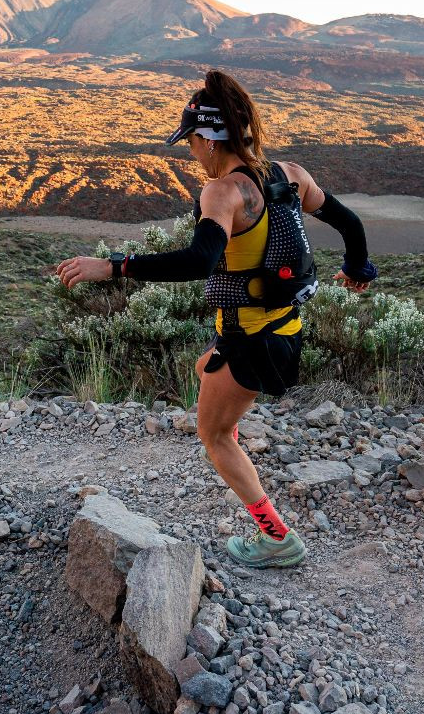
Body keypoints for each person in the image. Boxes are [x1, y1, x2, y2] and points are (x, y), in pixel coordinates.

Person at [55, 70, 377, 568]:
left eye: (191, 143)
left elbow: (197, 262)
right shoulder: (289, 173)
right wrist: (358, 269)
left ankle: (276, 538)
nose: (191, 153)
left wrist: (112, 266)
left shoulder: (223, 193)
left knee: (214, 436)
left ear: (207, 140)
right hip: (285, 330)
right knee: (206, 369)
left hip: (252, 342)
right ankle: (233, 426)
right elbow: (350, 224)